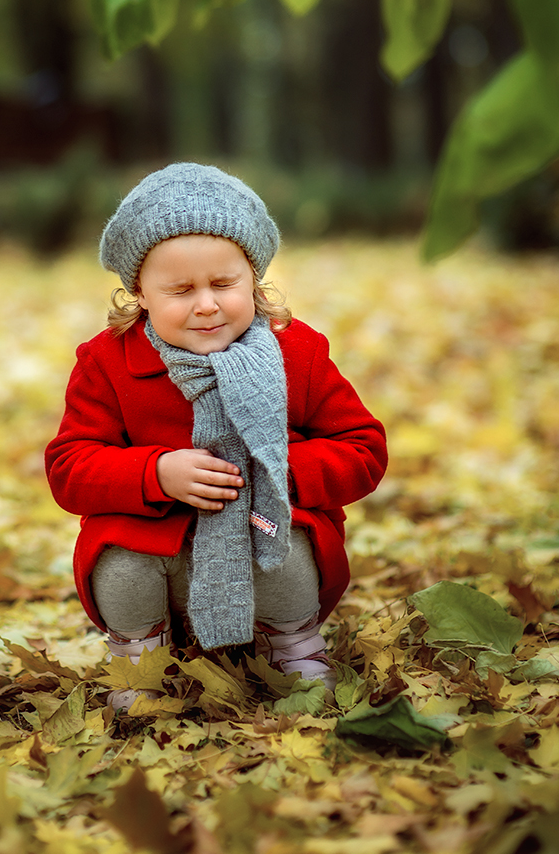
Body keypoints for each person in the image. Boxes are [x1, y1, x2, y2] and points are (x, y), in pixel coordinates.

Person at [45, 163, 387, 709]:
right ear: (139, 290)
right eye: (181, 289)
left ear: (252, 276)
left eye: (224, 284)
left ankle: (291, 642)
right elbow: (69, 466)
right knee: (122, 565)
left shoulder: (295, 354)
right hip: (162, 551)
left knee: (288, 549)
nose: (206, 304)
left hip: (259, 534)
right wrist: (154, 472)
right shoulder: (107, 363)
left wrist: (279, 472)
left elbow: (363, 447)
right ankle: (140, 656)